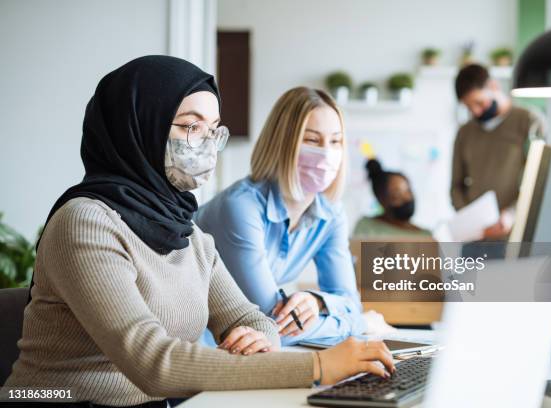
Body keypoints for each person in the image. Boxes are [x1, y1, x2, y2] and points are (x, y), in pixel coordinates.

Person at [1, 57, 394, 408]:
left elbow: (253, 318)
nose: (206, 144)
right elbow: (152, 362)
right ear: (139, 126)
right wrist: (319, 365)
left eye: (214, 130)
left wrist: (261, 338)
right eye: (190, 126)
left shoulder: (187, 232)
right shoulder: (85, 222)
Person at [194, 87, 393, 346]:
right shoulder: (240, 207)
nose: (327, 152)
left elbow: (348, 300)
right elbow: (269, 323)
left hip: (249, 351)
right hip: (197, 348)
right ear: (282, 143)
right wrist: (361, 324)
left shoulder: (331, 214)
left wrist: (317, 301)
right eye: (312, 140)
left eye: (335, 141)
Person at [451, 64, 545, 240]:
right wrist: (468, 219)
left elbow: (540, 181)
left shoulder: (529, 121)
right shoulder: (465, 132)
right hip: (476, 238)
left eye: (479, 103)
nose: (476, 111)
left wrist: (511, 214)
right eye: (469, 107)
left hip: (516, 234)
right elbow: (455, 186)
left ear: (494, 87)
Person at [353, 158, 431, 238]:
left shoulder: (425, 236)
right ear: (382, 200)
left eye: (408, 191)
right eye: (397, 195)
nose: (406, 198)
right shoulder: (366, 227)